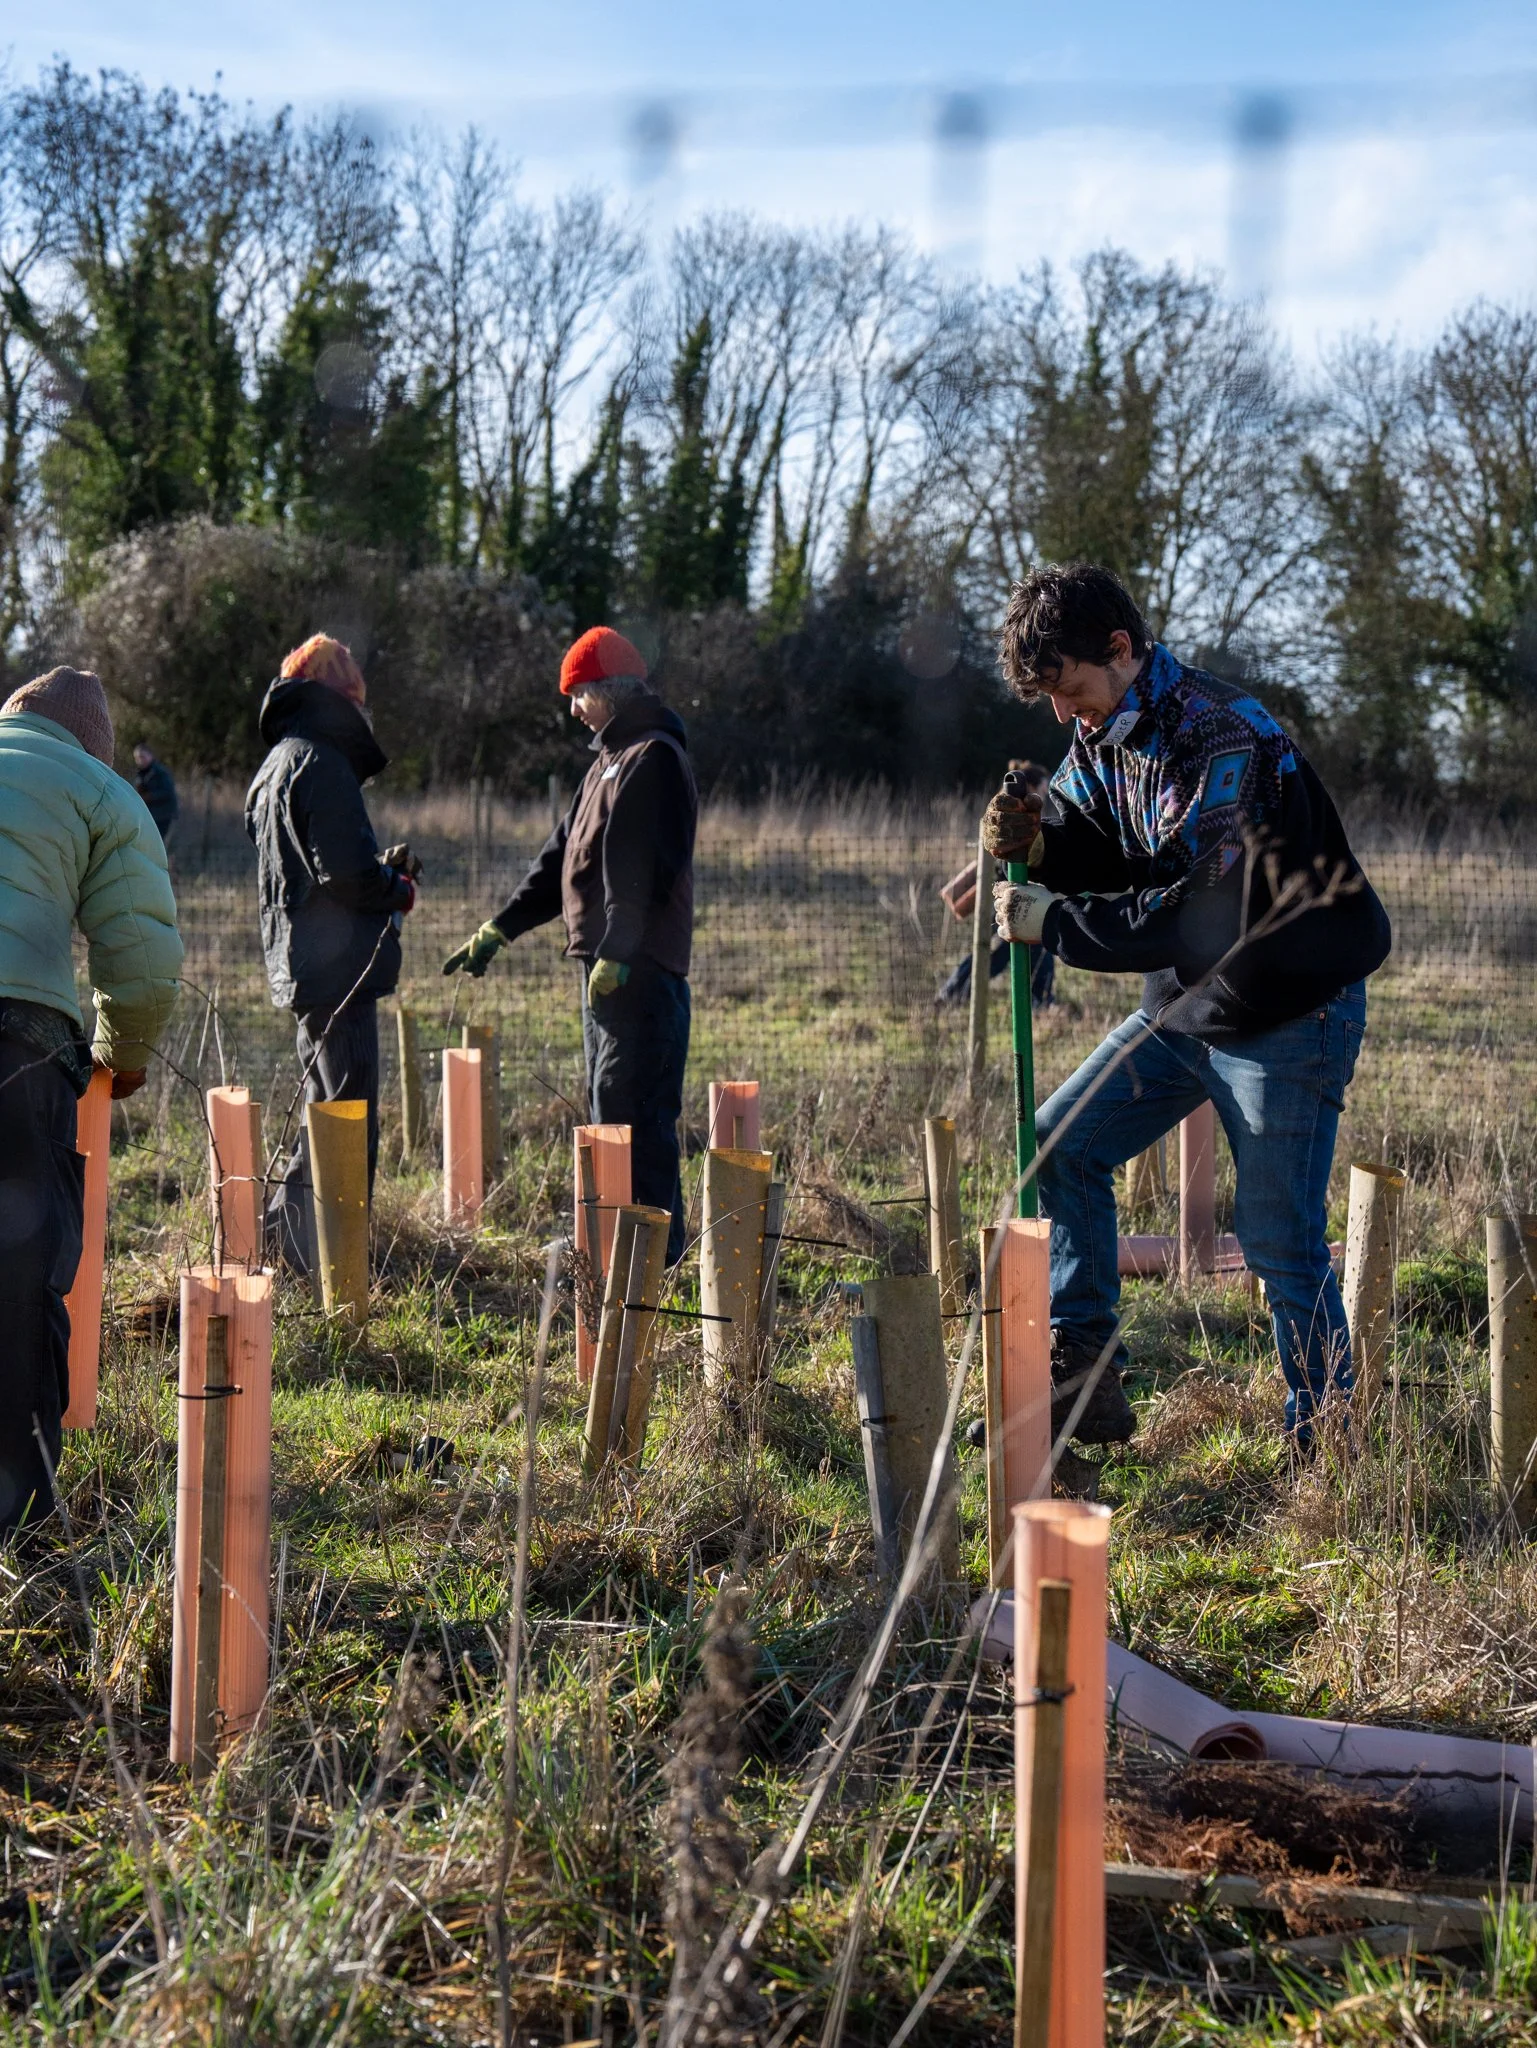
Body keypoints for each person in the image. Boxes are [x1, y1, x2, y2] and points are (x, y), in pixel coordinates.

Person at [985, 563, 1391, 1450]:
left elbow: (1192, 913)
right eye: (1050, 699)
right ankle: (1084, 1370)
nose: (1063, 716)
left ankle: (1330, 1445)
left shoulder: (1219, 735)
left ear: (1121, 650)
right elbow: (1104, 844)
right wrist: (1045, 846)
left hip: (1290, 1003)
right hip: (1189, 1005)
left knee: (1278, 1239)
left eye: (1071, 689)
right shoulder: (1104, 729)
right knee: (1063, 1141)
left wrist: (1055, 924)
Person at [443, 627, 697, 1263]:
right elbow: (562, 859)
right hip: (608, 968)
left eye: (579, 694)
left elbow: (646, 867)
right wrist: (502, 927)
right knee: (608, 1104)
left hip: (638, 971)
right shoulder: (605, 765)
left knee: (636, 1113)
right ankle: (611, 1242)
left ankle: (648, 1256)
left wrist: (617, 946)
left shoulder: (653, 757)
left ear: (609, 691)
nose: (573, 709)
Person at [0, 667, 182, 1536]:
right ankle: (24, 1516)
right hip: (20, 1050)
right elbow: (139, 957)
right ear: (95, 745)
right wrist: (123, 1060)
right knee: (21, 1276)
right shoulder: (100, 792)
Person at [246, 635, 421, 1273]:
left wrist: (373, 873)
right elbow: (344, 875)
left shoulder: (274, 766)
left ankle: (280, 1244)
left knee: (324, 1111)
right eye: (359, 700)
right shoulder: (322, 763)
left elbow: (302, 873)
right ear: (341, 699)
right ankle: (323, 1261)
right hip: (338, 972)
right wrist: (396, 888)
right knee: (347, 1121)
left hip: (299, 967)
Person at [937, 760, 1055, 1010]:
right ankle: (955, 993)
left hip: (1011, 891)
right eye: (1044, 786)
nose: (1046, 791)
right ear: (1032, 785)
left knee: (1028, 950)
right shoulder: (1017, 807)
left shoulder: (1016, 805)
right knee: (996, 954)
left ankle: (1040, 999)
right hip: (1004, 891)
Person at [132, 742, 179, 850]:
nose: (140, 760)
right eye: (137, 758)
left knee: (159, 848)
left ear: (150, 756)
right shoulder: (141, 774)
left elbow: (168, 792)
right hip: (152, 816)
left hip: (164, 815)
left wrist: (150, 796)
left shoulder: (160, 772)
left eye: (142, 757)